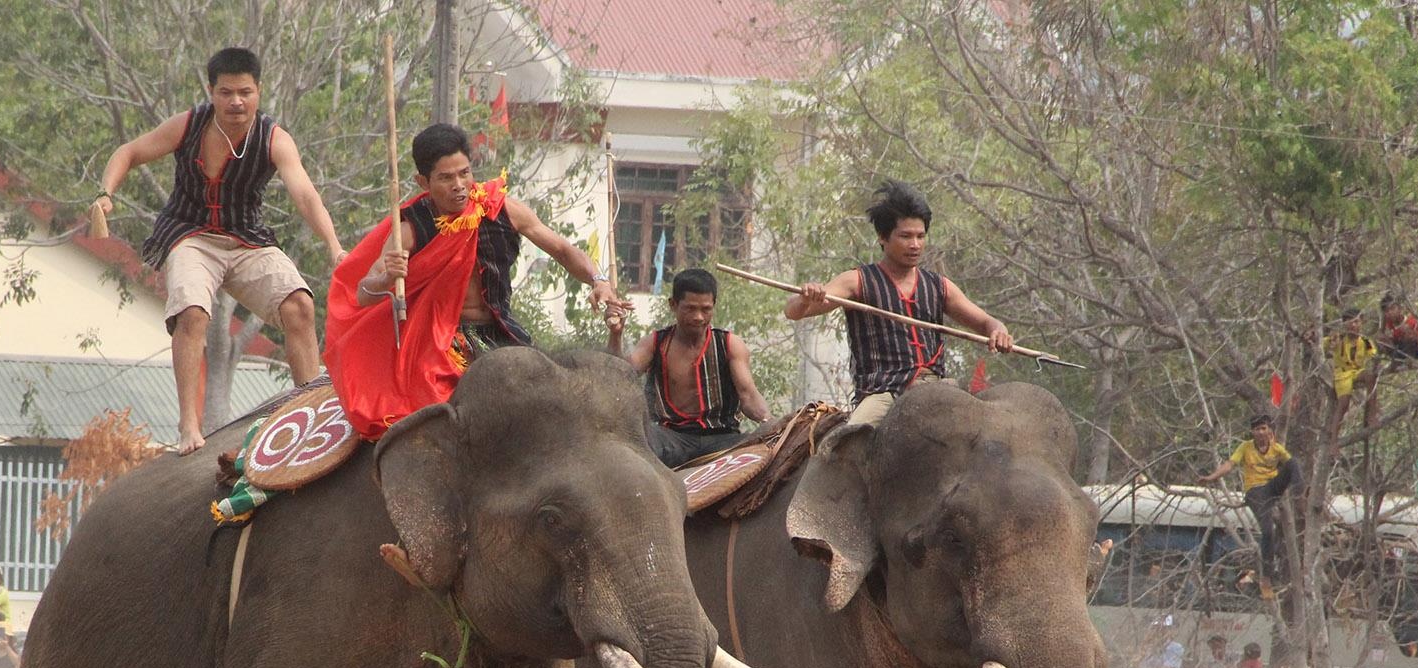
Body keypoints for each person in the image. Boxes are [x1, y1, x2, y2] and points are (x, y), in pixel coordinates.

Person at [96, 46, 345, 454]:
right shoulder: (188, 124)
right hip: (190, 235)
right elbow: (129, 152)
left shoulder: (274, 138)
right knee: (192, 311)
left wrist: (334, 247)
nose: (236, 102)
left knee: (299, 305)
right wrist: (106, 193)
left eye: (245, 92)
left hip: (246, 238)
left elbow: (305, 195)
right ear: (211, 91)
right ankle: (188, 425)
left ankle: (310, 412)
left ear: (258, 92)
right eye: (226, 92)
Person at [331, 122, 624, 437]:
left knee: (554, 400)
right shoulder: (410, 230)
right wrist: (386, 277)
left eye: (464, 173)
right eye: (445, 178)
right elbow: (364, 293)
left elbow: (564, 250)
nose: (459, 185)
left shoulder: (501, 209)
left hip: (502, 331)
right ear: (423, 182)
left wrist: (599, 279)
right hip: (441, 343)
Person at [782, 181, 1016, 426]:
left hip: (937, 388)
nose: (915, 244)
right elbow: (794, 311)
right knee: (847, 440)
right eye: (905, 236)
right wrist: (806, 297)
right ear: (883, 238)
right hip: (883, 394)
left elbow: (986, 322)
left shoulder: (939, 286)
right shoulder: (857, 281)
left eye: (920, 236)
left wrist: (998, 331)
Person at [608, 268, 772, 468]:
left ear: (714, 306)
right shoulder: (655, 343)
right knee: (628, 448)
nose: (699, 317)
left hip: (723, 439)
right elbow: (618, 376)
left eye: (706, 309)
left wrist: (770, 423)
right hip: (670, 439)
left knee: (764, 454)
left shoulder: (730, 344)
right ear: (673, 305)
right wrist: (616, 334)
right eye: (690, 308)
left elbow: (749, 396)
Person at [1199, 415, 1292, 585]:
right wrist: (1212, 477)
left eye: (1264, 428)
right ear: (1252, 432)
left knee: (1286, 528)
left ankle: (1279, 565)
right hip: (1256, 492)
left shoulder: (1277, 449)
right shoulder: (1245, 448)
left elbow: (1291, 465)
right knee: (1268, 530)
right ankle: (1266, 573)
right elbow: (1230, 465)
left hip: (1274, 493)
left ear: (1269, 430)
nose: (1261, 432)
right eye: (1257, 429)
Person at [1325, 306, 1377, 444]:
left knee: (1370, 376)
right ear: (1345, 324)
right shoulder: (1339, 338)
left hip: (1357, 371)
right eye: (1350, 322)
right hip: (1342, 374)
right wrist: (1329, 343)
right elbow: (1324, 343)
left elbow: (1374, 355)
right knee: (1343, 404)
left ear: (1361, 323)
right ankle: (1333, 442)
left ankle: (1372, 414)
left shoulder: (1365, 341)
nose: (1354, 325)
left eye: (1356, 322)